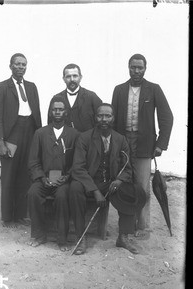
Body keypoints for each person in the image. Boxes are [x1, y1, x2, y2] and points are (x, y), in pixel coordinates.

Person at [69, 103, 145, 255]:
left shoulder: (121, 139)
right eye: (100, 116)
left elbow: (127, 168)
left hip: (111, 183)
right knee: (75, 188)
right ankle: (81, 237)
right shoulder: (84, 138)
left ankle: (123, 237)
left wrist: (119, 180)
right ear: (95, 118)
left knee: (133, 191)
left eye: (107, 116)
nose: (104, 119)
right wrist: (95, 190)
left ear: (113, 118)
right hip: (89, 182)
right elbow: (78, 168)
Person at [111, 53, 173, 234]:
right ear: (128, 67)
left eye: (140, 67)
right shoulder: (119, 89)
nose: (136, 71)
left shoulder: (154, 89)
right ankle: (127, 224)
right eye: (133, 67)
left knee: (142, 184)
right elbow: (113, 119)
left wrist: (161, 144)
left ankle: (142, 226)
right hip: (123, 143)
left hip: (144, 144)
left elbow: (167, 117)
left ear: (145, 68)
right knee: (124, 181)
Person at [0, 53, 42, 228]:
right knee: (9, 175)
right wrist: (0, 141)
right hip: (12, 134)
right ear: (10, 66)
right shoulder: (3, 87)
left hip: (30, 131)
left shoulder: (32, 86)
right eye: (18, 64)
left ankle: (21, 214)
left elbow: (37, 113)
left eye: (24, 64)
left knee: (25, 174)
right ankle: (7, 217)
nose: (21, 67)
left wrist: (39, 137)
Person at [27, 97, 79, 251]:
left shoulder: (74, 134)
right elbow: (33, 161)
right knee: (33, 194)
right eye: (54, 109)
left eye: (60, 109)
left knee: (62, 196)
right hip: (43, 178)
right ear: (50, 112)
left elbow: (78, 162)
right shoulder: (40, 133)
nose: (57, 112)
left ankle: (62, 239)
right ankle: (39, 235)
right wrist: (42, 178)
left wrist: (67, 176)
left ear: (66, 112)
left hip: (64, 180)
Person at [47, 63, 102, 132]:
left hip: (87, 141)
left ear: (80, 77)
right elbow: (50, 123)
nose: (72, 79)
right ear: (63, 79)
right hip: (65, 141)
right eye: (68, 76)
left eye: (75, 76)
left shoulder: (92, 97)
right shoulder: (56, 98)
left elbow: (101, 121)